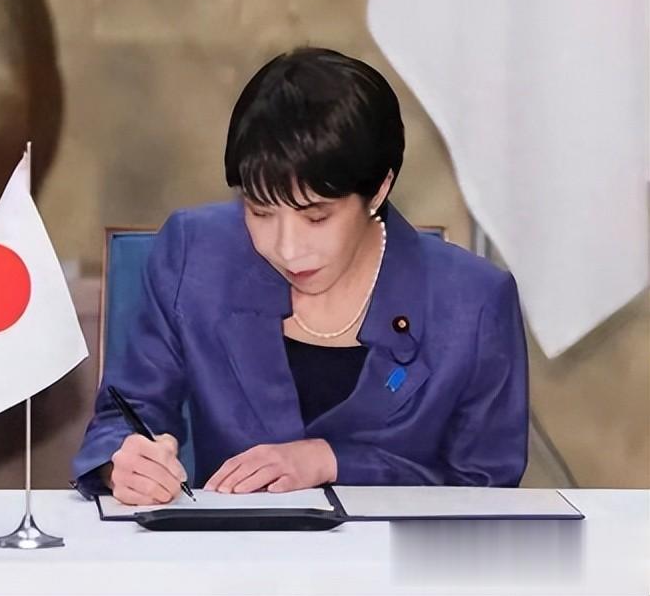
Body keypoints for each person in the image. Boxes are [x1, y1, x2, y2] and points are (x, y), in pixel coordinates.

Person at [73, 47, 528, 504]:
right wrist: (123, 462)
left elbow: (488, 491)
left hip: (398, 551)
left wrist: (334, 461)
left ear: (379, 189)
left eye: (316, 217)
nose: (287, 249)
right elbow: (126, 412)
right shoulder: (197, 254)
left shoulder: (473, 304)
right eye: (260, 211)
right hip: (232, 548)